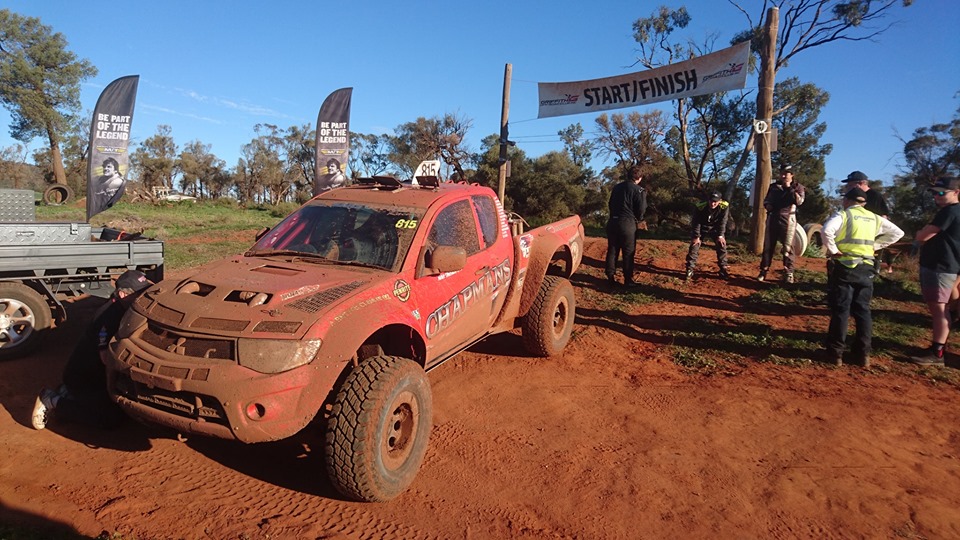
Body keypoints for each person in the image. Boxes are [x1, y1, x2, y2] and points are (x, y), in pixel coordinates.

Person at [31, 270, 154, 430]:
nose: (143, 296)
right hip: (86, 379)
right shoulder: (108, 317)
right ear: (123, 294)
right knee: (111, 419)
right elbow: (106, 359)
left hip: (94, 375)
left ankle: (68, 393)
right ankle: (53, 401)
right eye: (138, 293)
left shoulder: (127, 309)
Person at [821, 187, 903, 367]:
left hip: (846, 265)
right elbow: (898, 233)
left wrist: (833, 250)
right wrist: (876, 245)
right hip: (866, 268)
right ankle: (863, 354)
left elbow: (826, 230)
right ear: (864, 203)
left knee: (841, 309)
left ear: (847, 201)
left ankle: (835, 353)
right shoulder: (874, 218)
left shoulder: (843, 215)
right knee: (863, 310)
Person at [910, 176, 960, 366]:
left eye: (941, 193)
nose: (936, 196)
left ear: (956, 192)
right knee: (944, 308)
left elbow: (923, 236)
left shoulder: (950, 212)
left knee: (939, 309)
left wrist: (920, 233)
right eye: (934, 193)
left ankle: (937, 352)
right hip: (949, 266)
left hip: (940, 267)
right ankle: (938, 348)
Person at [758, 163, 805, 283]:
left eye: (786, 174)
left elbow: (799, 201)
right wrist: (768, 205)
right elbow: (766, 201)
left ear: (792, 175)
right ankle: (763, 270)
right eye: (782, 174)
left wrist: (790, 188)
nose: (783, 176)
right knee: (768, 246)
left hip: (788, 220)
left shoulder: (798, 187)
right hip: (773, 218)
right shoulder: (774, 187)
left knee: (788, 247)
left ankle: (789, 272)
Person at [842, 170, 894, 274]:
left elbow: (883, 216)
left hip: (870, 234)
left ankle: (877, 271)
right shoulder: (851, 196)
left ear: (860, 183)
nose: (848, 187)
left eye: (850, 184)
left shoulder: (874, 196)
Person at [604, 163, 648, 287]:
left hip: (613, 221)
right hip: (628, 223)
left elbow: (610, 204)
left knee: (612, 249)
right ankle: (628, 279)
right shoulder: (639, 190)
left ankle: (610, 276)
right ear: (639, 178)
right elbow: (641, 209)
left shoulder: (616, 187)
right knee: (628, 252)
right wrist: (638, 219)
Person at [685, 191, 730, 281]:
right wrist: (696, 236)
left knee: (721, 244)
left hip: (715, 227)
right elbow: (696, 222)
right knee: (694, 245)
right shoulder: (700, 206)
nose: (713, 204)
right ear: (708, 200)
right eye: (711, 201)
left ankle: (723, 268)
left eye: (715, 202)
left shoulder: (724, 206)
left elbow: (723, 221)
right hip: (702, 226)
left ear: (720, 201)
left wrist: (720, 235)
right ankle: (690, 268)